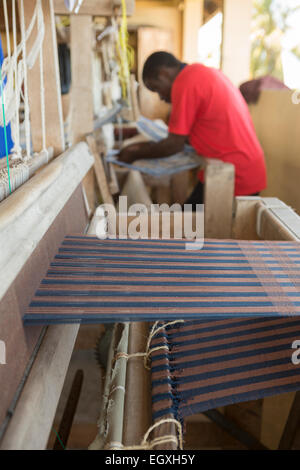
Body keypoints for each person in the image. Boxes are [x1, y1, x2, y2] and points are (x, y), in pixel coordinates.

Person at [118, 51, 267, 207]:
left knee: (190, 227)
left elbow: (174, 144)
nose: (161, 97)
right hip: (243, 167)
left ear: (164, 74)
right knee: (190, 221)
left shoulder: (184, 83)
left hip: (234, 174)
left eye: (157, 89)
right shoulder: (203, 72)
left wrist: (133, 153)